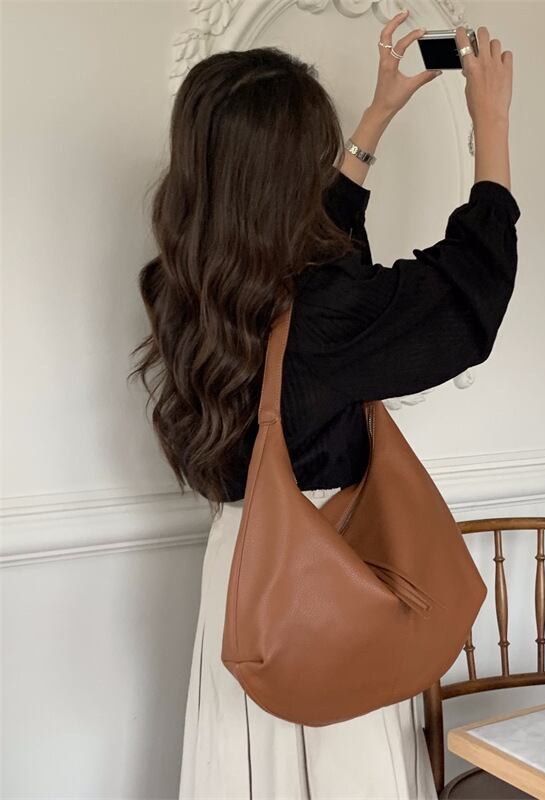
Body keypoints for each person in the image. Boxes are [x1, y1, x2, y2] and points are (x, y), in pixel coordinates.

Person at [130, 16, 518, 800]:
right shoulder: (321, 308)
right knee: (341, 770)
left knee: (248, 771)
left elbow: (315, 253)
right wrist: (492, 128)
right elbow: (467, 295)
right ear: (288, 178)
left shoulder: (183, 281)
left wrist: (375, 119)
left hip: (243, 570)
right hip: (324, 574)